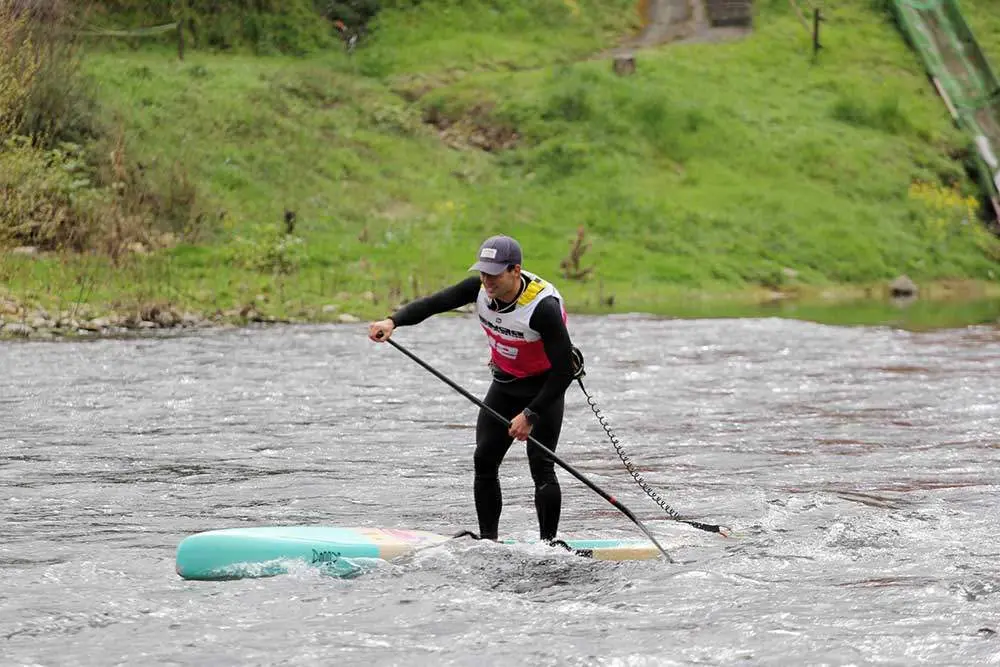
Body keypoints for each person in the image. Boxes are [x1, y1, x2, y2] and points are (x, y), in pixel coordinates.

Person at [368, 235, 576, 542]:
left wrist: (530, 415)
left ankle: (548, 545)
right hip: (505, 385)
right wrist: (393, 321)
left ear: (515, 271)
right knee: (484, 460)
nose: (486, 280)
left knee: (541, 467)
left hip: (543, 390)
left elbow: (564, 372)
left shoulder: (542, 308)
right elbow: (434, 303)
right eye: (483, 272)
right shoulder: (477, 289)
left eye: (494, 274)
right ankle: (489, 540)